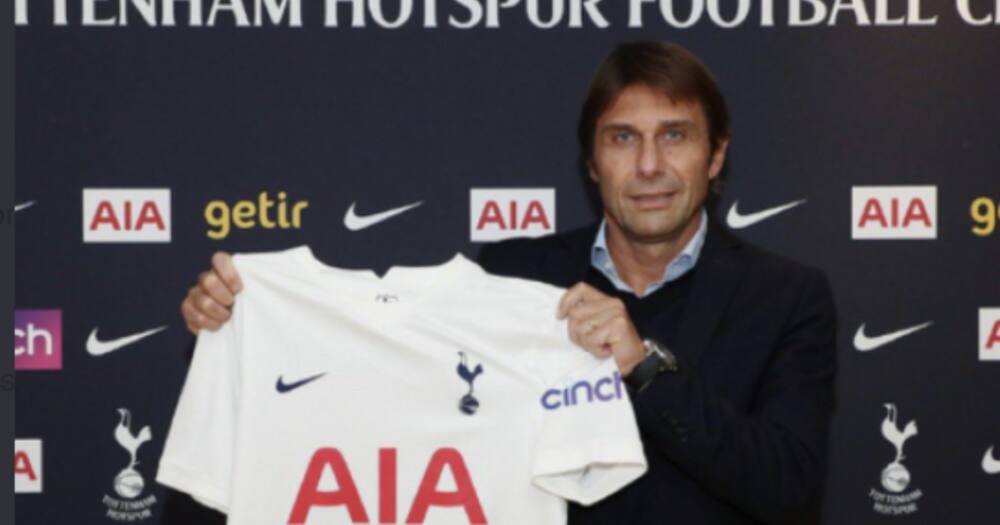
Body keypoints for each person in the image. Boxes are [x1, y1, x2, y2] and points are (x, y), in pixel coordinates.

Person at [179, 41, 837, 525]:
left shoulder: (788, 299)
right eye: (621, 138)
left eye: (675, 136)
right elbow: (377, 382)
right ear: (591, 161)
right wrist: (241, 320)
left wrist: (643, 367)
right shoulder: (508, 277)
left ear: (715, 153)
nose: (648, 165)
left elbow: (786, 485)